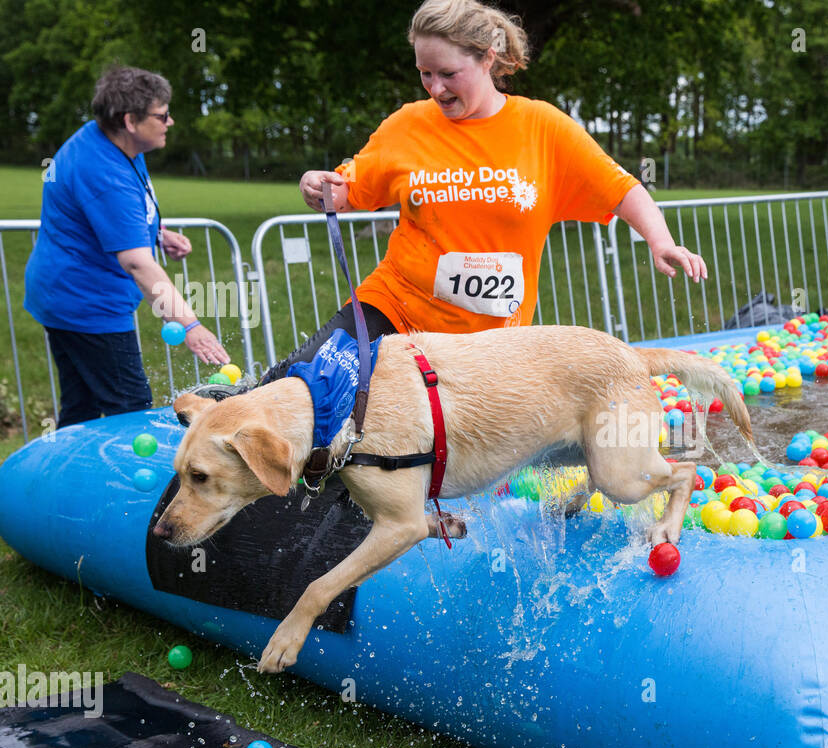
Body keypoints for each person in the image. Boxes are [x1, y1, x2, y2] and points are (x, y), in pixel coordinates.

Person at [200, 0, 705, 398]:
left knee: (429, 455)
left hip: (484, 344)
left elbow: (621, 189)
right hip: (395, 307)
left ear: (487, 59)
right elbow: (354, 187)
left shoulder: (543, 127)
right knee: (304, 383)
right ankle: (230, 430)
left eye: (448, 73)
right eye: (425, 73)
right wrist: (324, 188)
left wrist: (660, 241)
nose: (435, 88)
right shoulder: (408, 124)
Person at [24, 66, 229, 427]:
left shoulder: (117, 142)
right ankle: (133, 483)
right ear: (130, 120)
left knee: (81, 408)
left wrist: (155, 232)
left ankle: (70, 479)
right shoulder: (104, 171)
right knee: (132, 411)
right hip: (85, 305)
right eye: (162, 115)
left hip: (61, 294)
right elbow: (137, 263)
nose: (171, 121)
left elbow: (110, 215)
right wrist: (190, 325)